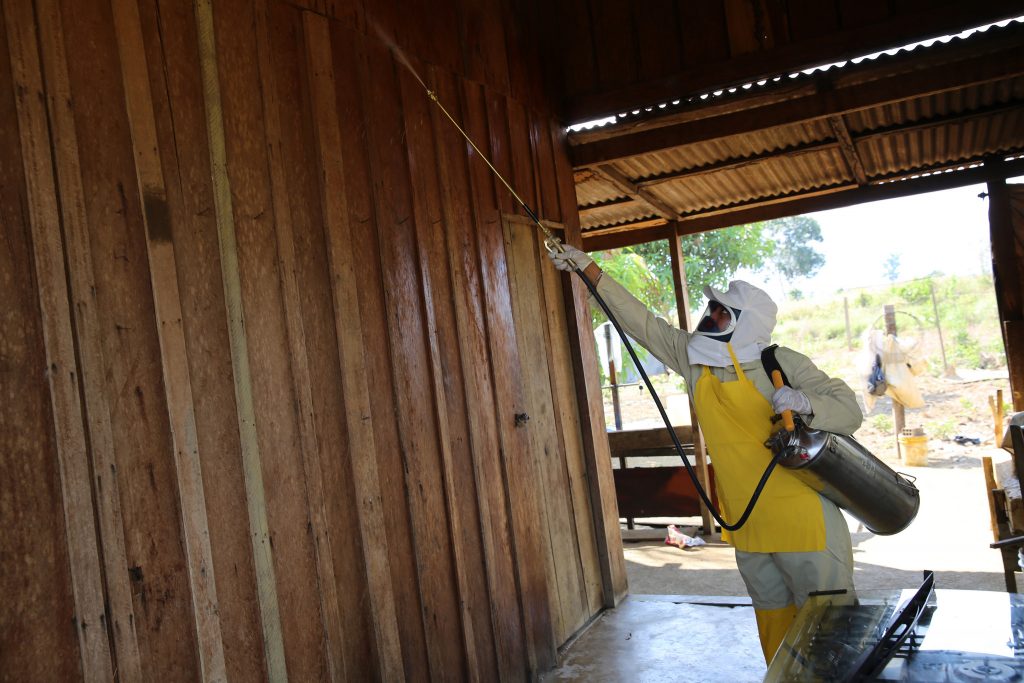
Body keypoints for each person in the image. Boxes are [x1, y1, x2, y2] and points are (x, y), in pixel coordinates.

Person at [549, 245, 863, 664]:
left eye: (722, 312)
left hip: (805, 525)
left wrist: (805, 401)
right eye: (712, 307)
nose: (710, 315)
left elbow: (850, 410)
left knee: (829, 632)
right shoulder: (694, 361)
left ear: (745, 323)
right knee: (776, 631)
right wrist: (588, 270)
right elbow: (642, 322)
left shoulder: (780, 362)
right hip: (748, 528)